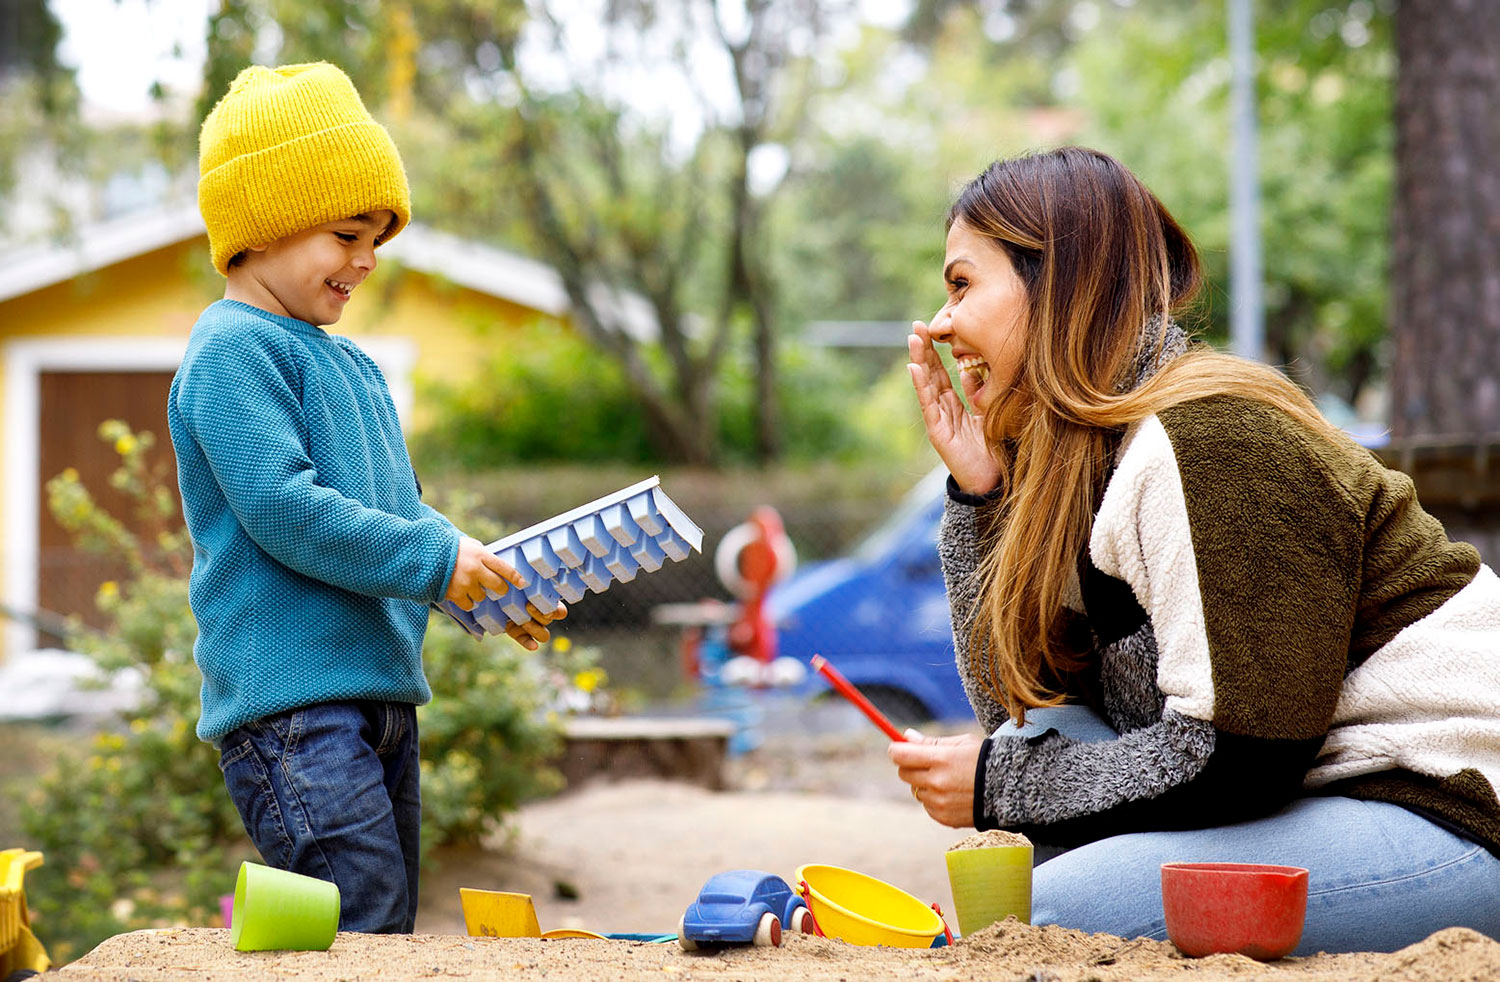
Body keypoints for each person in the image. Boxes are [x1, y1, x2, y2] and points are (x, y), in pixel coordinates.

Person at [891, 146, 1500, 954]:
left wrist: (1001, 787)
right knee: (1028, 759)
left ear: (1056, 281)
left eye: (962, 284)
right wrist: (979, 496)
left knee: (1046, 914)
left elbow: (1244, 756)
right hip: (1320, 798)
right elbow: (1031, 710)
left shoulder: (1213, 438)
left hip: (1446, 811)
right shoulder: (1090, 459)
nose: (941, 325)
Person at [167, 62, 565, 934]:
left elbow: (396, 509)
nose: (367, 260)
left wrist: (484, 580)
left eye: (378, 236)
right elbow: (285, 509)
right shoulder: (232, 350)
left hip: (379, 698)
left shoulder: (349, 363)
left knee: (380, 927)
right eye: (349, 233)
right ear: (264, 224)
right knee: (366, 925)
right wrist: (433, 561)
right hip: (295, 710)